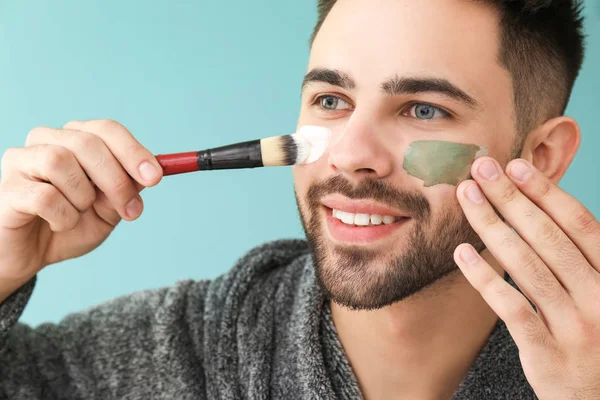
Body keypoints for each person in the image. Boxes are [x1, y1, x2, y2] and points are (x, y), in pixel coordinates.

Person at [1, 0, 598, 398]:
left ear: (541, 157)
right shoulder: (174, 351)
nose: (348, 154)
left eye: (424, 109)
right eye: (332, 100)